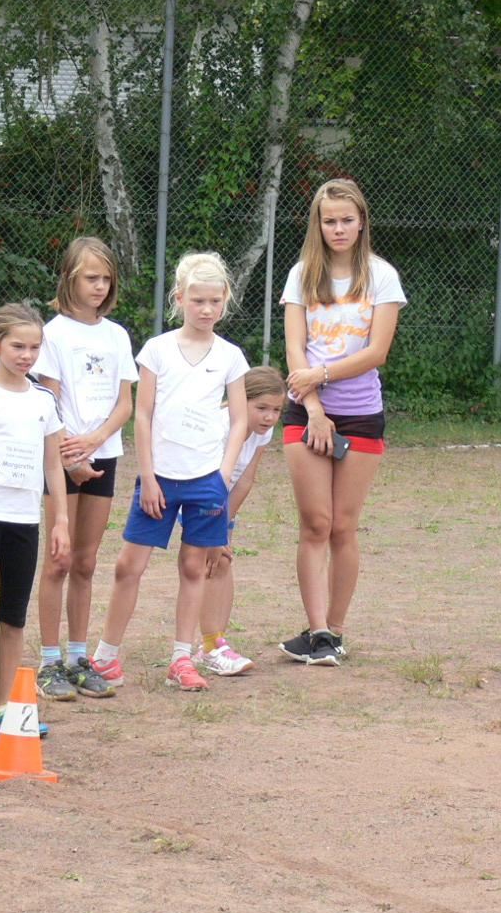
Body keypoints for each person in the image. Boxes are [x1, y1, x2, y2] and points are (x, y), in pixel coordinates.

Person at [93, 252, 249, 692]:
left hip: (206, 482)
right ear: (179, 299)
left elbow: (239, 419)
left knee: (193, 567)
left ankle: (182, 657)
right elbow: (142, 415)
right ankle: (105, 657)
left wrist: (221, 476)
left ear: (225, 300)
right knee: (129, 565)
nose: (206, 309)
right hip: (159, 478)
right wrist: (148, 476)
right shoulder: (157, 350)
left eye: (215, 301)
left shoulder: (231, 356)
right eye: (197, 300)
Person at [277, 179, 404, 667]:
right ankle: (317, 632)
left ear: (362, 221)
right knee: (316, 524)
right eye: (329, 220)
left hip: (362, 413)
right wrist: (313, 408)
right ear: (318, 224)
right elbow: (295, 349)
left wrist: (323, 374)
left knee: (343, 527)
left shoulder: (382, 276)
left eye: (347, 219)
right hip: (306, 412)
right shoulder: (301, 275)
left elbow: (376, 352)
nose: (338, 228)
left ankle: (336, 629)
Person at [32, 237, 133, 702]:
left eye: (106, 278)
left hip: (102, 454)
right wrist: (71, 456)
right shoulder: (53, 334)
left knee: (86, 562)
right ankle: (48, 661)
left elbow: (125, 403)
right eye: (91, 277)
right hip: (63, 456)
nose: (99, 286)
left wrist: (95, 441)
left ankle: (77, 659)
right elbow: (48, 399)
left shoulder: (117, 336)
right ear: (70, 278)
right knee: (59, 558)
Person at [0, 303, 71, 721]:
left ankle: (7, 705)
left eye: (34, 347)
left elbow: (53, 464)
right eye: (17, 346)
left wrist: (60, 520)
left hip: (25, 521)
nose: (27, 355)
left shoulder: (44, 399)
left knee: (14, 617)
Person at [197, 365, 284, 675]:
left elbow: (245, 479)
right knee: (207, 564)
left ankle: (215, 644)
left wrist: (224, 525)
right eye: (261, 408)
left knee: (222, 561)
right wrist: (214, 530)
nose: (269, 417)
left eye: (276, 410)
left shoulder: (262, 432)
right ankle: (211, 646)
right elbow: (206, 481)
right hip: (199, 497)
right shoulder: (221, 426)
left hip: (224, 502)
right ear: (239, 401)